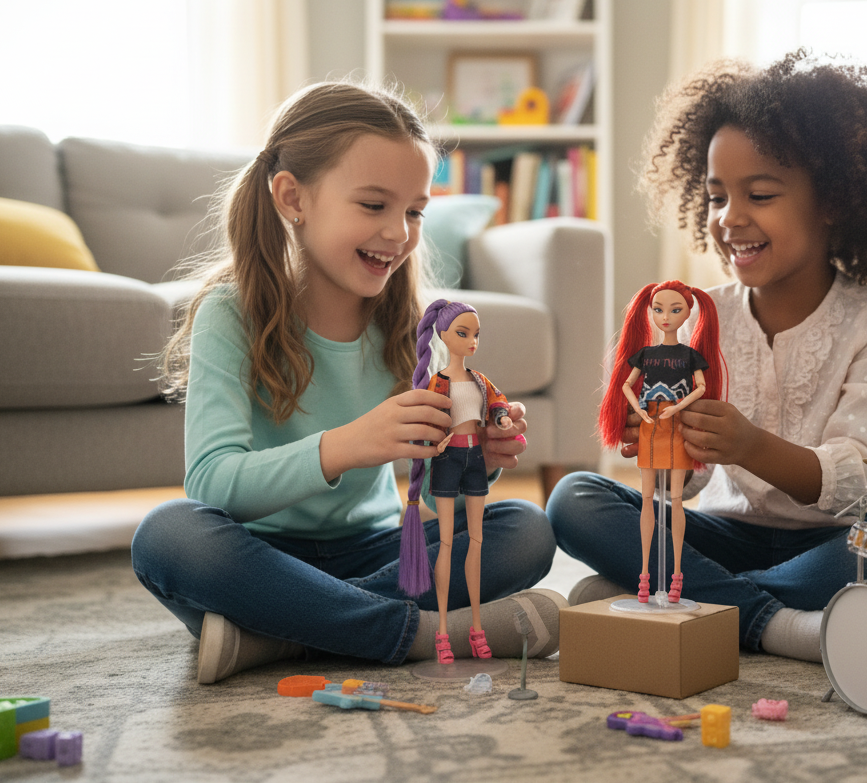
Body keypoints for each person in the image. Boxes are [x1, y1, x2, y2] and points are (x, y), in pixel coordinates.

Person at [130, 82, 563, 685]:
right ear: (292, 197)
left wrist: (480, 457)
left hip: (382, 549)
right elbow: (212, 485)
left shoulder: (415, 324)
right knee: (168, 536)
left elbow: (432, 467)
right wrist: (349, 444)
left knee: (527, 529)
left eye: (414, 210)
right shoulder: (230, 313)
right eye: (373, 205)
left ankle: (281, 635)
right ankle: (409, 634)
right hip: (262, 555)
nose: (399, 232)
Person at [548, 50, 867, 662]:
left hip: (832, 542)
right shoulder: (697, 315)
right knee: (573, 497)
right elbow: (688, 484)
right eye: (714, 197)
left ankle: (684, 602)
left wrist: (749, 446)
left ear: (833, 200)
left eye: (759, 194)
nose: (730, 218)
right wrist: (664, 447)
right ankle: (774, 622)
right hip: (718, 536)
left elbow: (857, 479)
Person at [398, 299, 520, 662]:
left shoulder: (480, 381)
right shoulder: (438, 383)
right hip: (449, 460)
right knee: (449, 543)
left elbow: (497, 404)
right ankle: (441, 634)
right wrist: (435, 445)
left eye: (476, 335)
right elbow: (427, 426)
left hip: (475, 459)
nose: (472, 342)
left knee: (478, 541)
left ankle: (478, 627)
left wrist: (502, 420)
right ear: (443, 335)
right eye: (463, 334)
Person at [597, 280, 725, 604]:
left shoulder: (690, 355)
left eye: (675, 310)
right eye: (658, 309)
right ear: (650, 312)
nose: (665, 317)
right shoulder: (646, 355)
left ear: (688, 313)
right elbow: (626, 384)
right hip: (651, 424)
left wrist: (680, 408)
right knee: (647, 498)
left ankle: (677, 576)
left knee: (677, 499)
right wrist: (638, 407)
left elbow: (699, 388)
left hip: (676, 424)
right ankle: (644, 576)